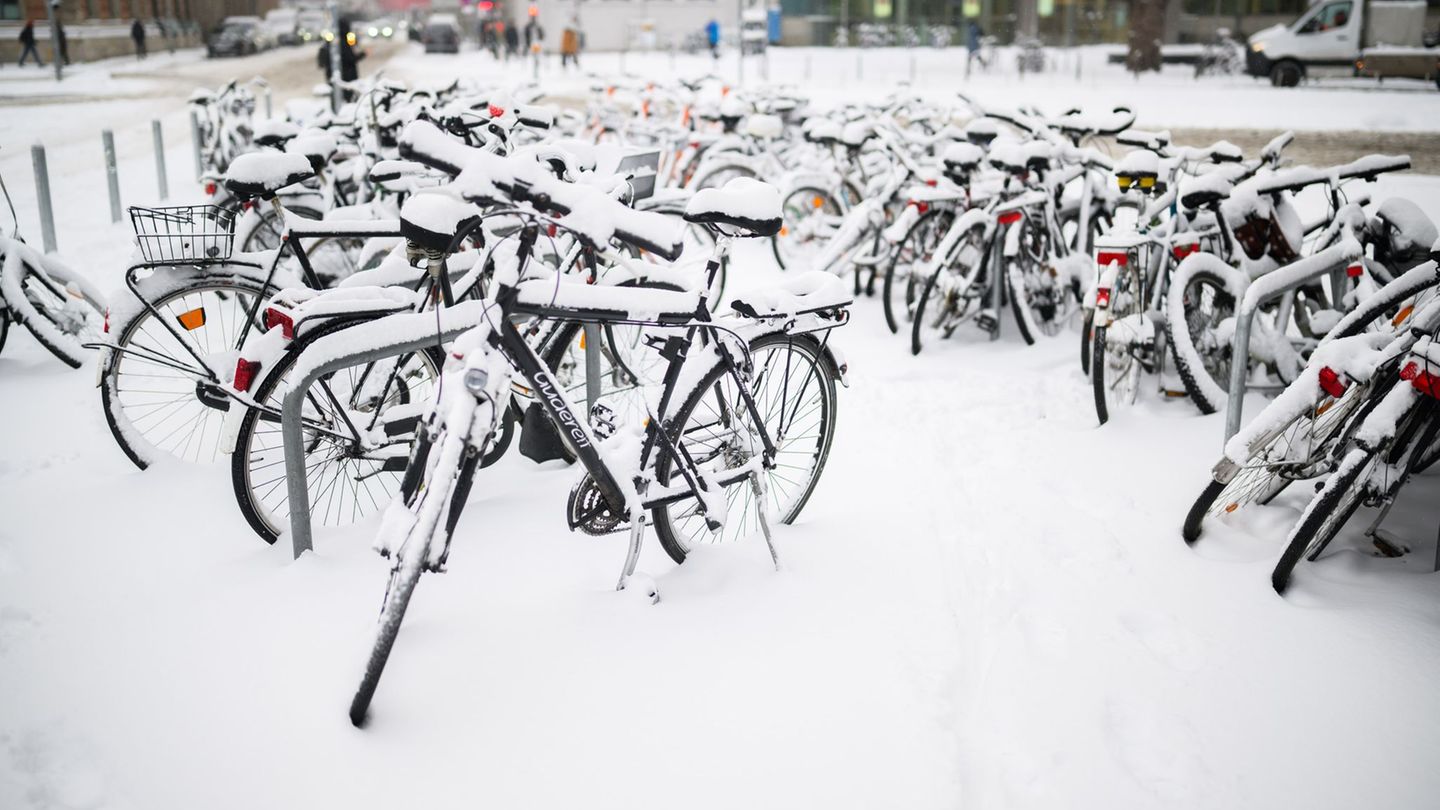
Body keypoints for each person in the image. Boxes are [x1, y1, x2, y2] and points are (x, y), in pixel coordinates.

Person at [317, 21, 366, 96]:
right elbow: (351, 58)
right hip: (347, 79)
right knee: (347, 99)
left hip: (332, 76)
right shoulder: (343, 42)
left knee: (335, 96)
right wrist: (363, 54)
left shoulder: (331, 40)